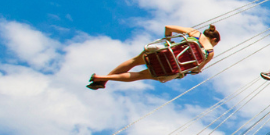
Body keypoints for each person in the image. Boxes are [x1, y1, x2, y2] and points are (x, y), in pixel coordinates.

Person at [89, 24, 220, 89]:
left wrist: (170, 41)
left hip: (163, 52)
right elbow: (196, 69)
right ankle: (103, 78)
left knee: (134, 61)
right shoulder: (210, 52)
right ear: (214, 39)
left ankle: (103, 78)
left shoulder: (195, 33)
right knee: (139, 76)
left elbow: (168, 27)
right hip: (171, 68)